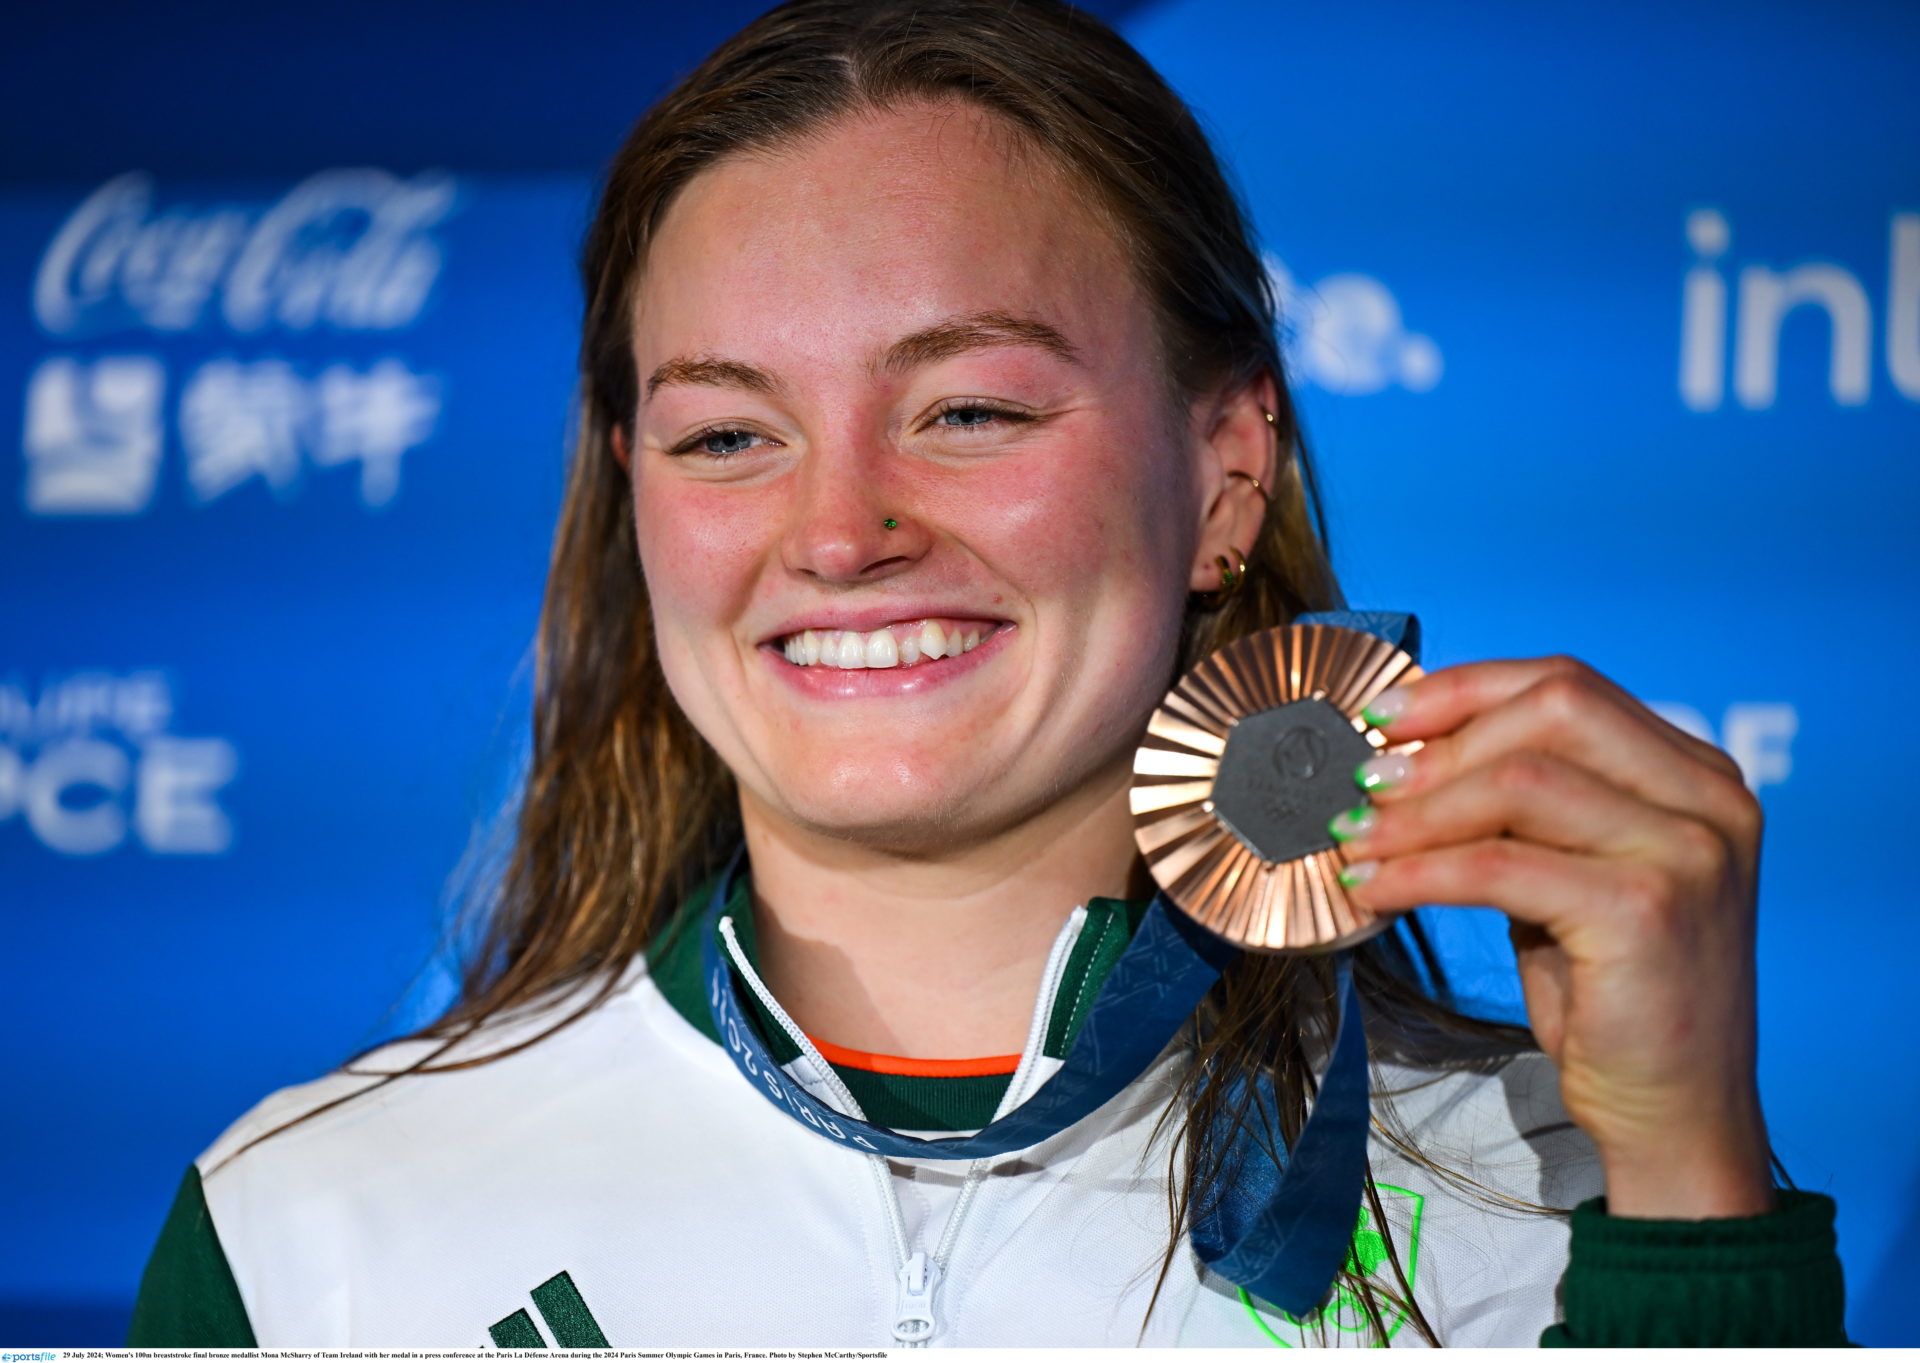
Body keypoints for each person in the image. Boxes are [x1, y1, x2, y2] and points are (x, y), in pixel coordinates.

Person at [127, 0, 1850, 1348]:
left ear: (1226, 468)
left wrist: (1695, 1215)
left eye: (969, 410)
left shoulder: (1562, 1195)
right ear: (632, 497)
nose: (841, 527)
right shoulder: (307, 1232)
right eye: (728, 433)